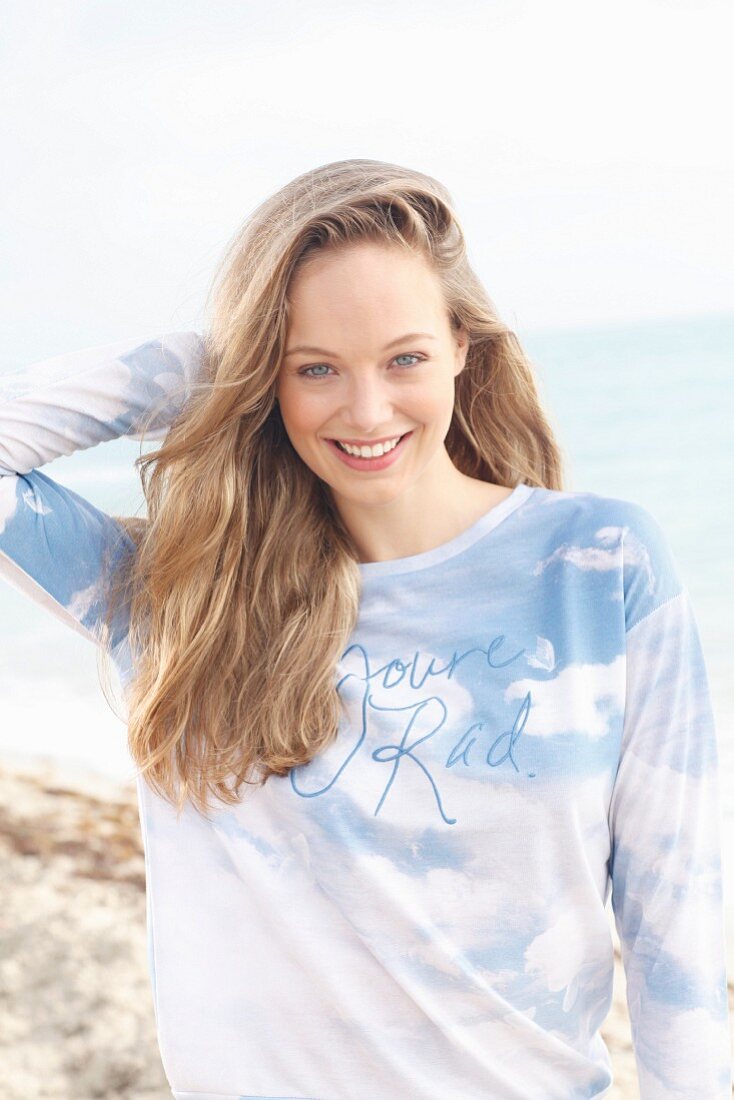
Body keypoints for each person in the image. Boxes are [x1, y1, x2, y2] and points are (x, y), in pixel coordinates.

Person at [0, 158, 730, 1099]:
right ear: (269, 379)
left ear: (465, 347)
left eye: (405, 358)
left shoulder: (597, 564)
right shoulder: (183, 600)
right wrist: (211, 366)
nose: (368, 409)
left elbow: (674, 919)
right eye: (316, 369)